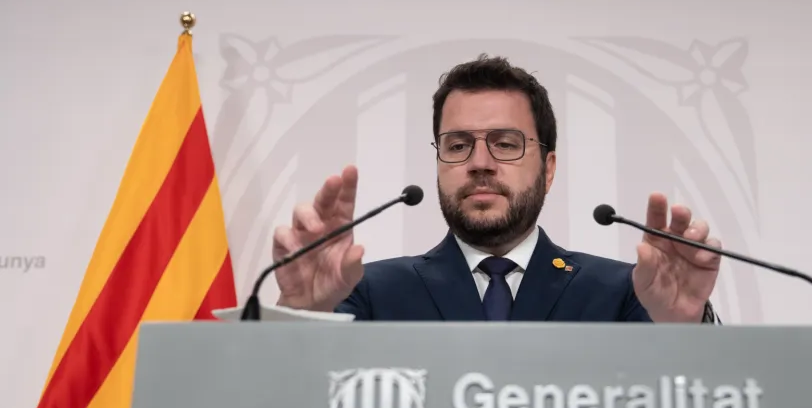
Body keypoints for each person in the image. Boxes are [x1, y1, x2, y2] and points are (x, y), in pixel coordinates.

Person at [272, 55, 721, 323]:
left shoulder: (626, 292)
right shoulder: (368, 291)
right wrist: (297, 313)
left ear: (548, 170)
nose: (480, 163)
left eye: (506, 144)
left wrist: (684, 329)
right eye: (458, 144)